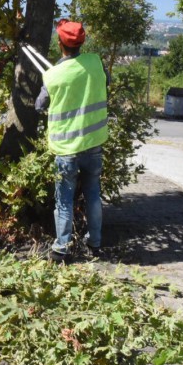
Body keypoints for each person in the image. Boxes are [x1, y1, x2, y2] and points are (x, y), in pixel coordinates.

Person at [35, 19, 110, 262]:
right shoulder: (95, 62)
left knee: (64, 200)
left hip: (66, 149)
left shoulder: (53, 75)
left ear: (60, 43)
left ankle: (61, 248)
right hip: (93, 144)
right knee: (93, 196)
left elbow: (39, 105)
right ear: (82, 42)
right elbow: (106, 81)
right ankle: (95, 244)